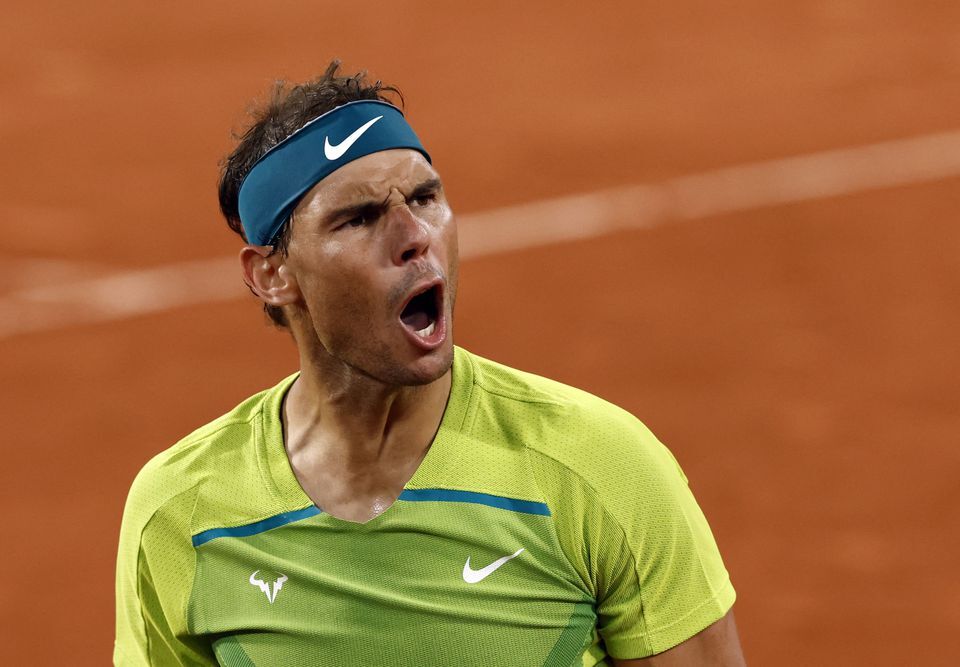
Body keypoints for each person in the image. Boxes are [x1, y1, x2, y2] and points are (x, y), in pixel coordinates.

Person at [115, 61, 745, 666]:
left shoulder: (598, 469)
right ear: (273, 274)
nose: (415, 235)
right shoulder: (184, 513)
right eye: (358, 218)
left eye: (424, 197)